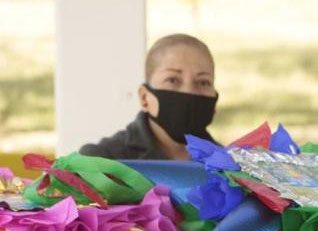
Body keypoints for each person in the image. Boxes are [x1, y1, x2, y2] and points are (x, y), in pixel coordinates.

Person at [79, 33, 218, 160]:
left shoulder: (231, 167)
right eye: (172, 80)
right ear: (145, 98)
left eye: (203, 82)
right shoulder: (100, 160)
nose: (189, 92)